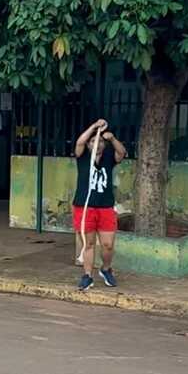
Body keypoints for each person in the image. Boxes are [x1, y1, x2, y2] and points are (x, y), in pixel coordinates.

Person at [73, 118, 127, 291]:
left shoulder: (109, 158)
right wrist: (94, 128)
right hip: (84, 206)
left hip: (105, 207)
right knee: (88, 244)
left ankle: (106, 269)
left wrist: (111, 138)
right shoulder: (82, 157)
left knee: (108, 244)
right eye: (94, 141)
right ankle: (87, 276)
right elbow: (80, 142)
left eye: (100, 141)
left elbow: (122, 152)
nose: (97, 143)